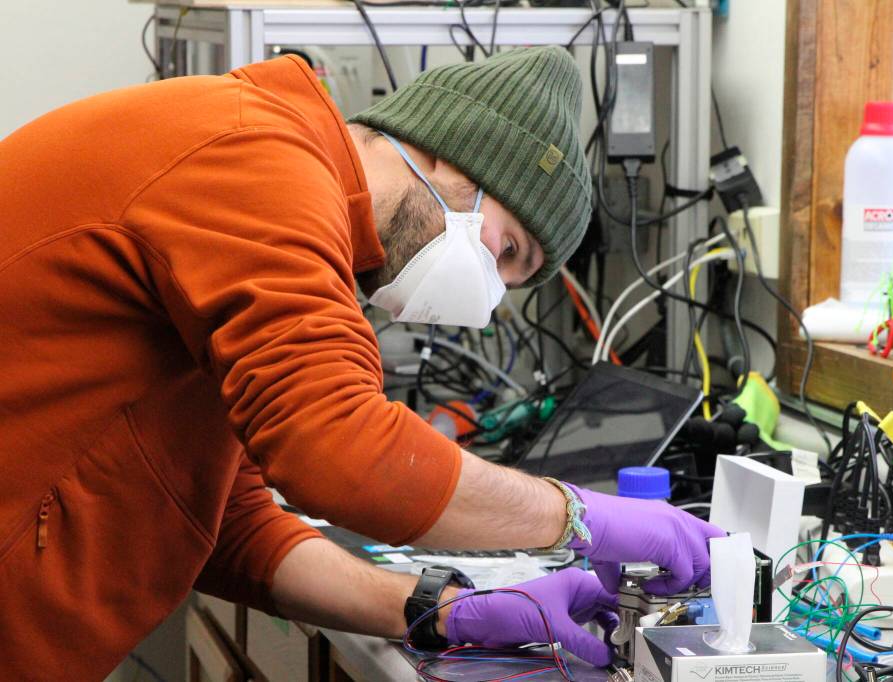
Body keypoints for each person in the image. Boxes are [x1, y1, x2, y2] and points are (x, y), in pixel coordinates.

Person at [0, 47, 723, 679]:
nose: (486, 297)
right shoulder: (258, 158)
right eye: (506, 251)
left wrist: (445, 610)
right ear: (449, 154)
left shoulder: (273, 188)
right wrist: (578, 516)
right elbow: (341, 451)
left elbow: (230, 524)